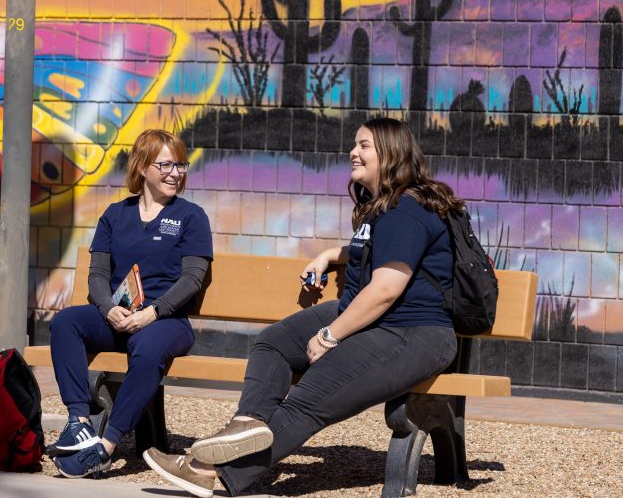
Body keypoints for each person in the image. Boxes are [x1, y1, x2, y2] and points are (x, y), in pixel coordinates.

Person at [143, 117, 462, 497]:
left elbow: (386, 290)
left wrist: (331, 334)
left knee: (309, 399)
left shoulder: (407, 210)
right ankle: (247, 425)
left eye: (363, 146)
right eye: (355, 145)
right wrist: (331, 255)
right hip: (378, 319)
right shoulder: (384, 206)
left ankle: (209, 470)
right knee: (274, 342)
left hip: (412, 332)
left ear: (390, 154)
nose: (352, 153)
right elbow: (384, 252)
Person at [48, 129, 213, 478]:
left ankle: (104, 447)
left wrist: (153, 312)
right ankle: (79, 422)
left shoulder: (191, 216)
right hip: (118, 316)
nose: (175, 172)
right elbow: (97, 275)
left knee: (148, 349)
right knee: (66, 323)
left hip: (166, 322)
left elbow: (192, 279)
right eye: (165, 164)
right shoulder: (115, 214)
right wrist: (108, 308)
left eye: (180, 164)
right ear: (142, 168)